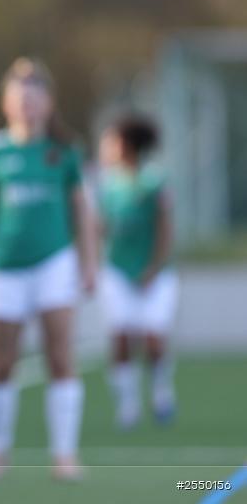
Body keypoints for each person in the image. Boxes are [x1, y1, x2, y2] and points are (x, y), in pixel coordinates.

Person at [0, 58, 98, 481]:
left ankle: (64, 454)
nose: (27, 106)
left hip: (55, 264)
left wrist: (89, 263)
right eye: (19, 98)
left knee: (61, 355)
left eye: (35, 98)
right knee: (1, 361)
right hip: (5, 268)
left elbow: (82, 213)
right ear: (5, 104)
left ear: (48, 103)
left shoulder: (65, 151)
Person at [97, 115, 177, 429]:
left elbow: (165, 228)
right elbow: (100, 227)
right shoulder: (106, 183)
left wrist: (154, 267)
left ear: (127, 145)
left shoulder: (154, 180)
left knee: (153, 338)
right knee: (120, 337)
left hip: (154, 274)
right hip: (118, 271)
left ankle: (160, 392)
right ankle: (127, 404)